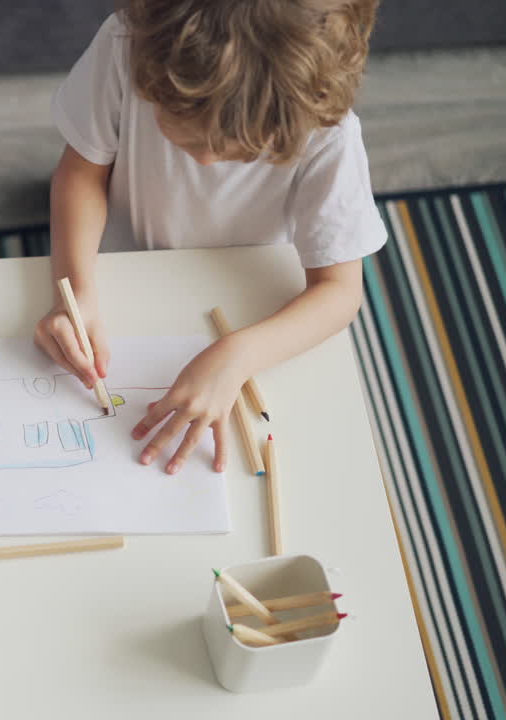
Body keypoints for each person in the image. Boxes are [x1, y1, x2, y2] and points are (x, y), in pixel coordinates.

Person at [35, 0, 384, 474]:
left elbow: (340, 291)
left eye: (239, 151)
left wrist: (239, 355)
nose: (203, 163)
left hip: (251, 305)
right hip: (122, 268)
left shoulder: (326, 131)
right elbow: (81, 174)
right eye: (186, 139)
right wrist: (76, 289)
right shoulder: (128, 44)